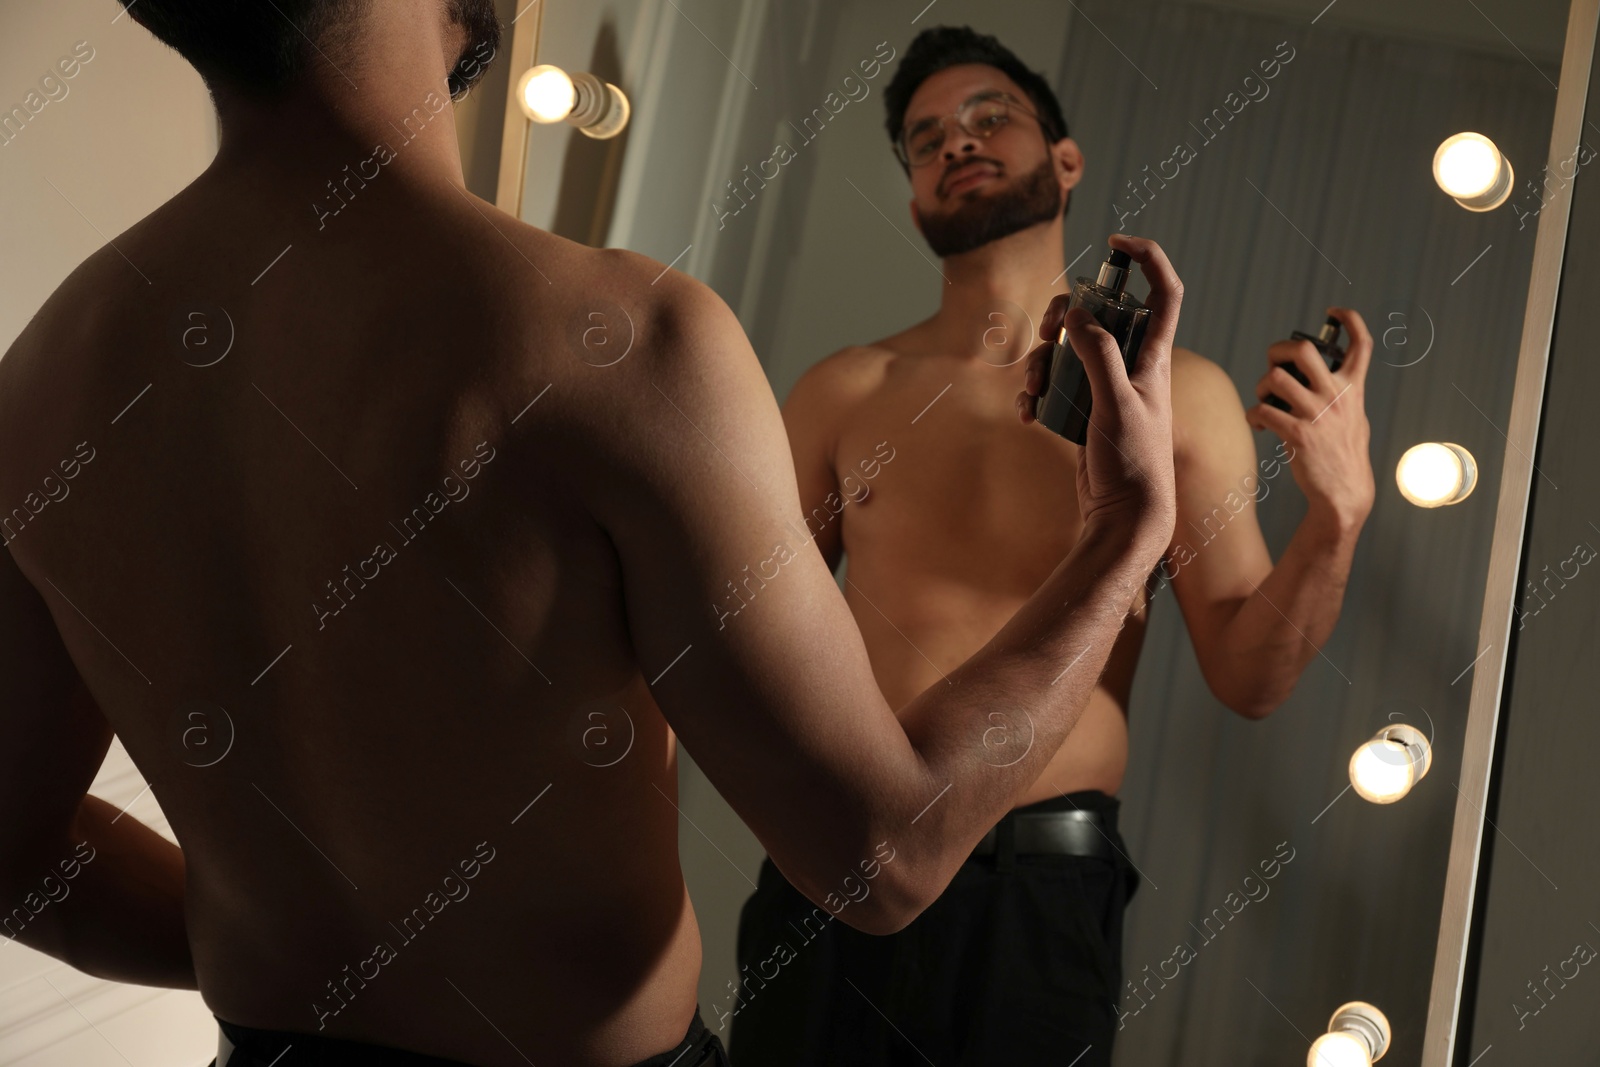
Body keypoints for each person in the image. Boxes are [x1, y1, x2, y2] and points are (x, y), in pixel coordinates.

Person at [0, 4, 1183, 1066]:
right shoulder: (618, 343)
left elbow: (19, 863)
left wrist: (282, 958)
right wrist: (1122, 535)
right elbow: (881, 856)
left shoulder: (42, 385)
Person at [728, 24, 1377, 1067]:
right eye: (927, 137)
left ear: (1064, 160)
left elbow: (1251, 672)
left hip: (1043, 883)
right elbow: (743, 636)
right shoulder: (841, 393)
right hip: (841, 867)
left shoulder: (1178, 395)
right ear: (912, 199)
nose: (958, 141)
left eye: (991, 116)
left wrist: (1338, 514)